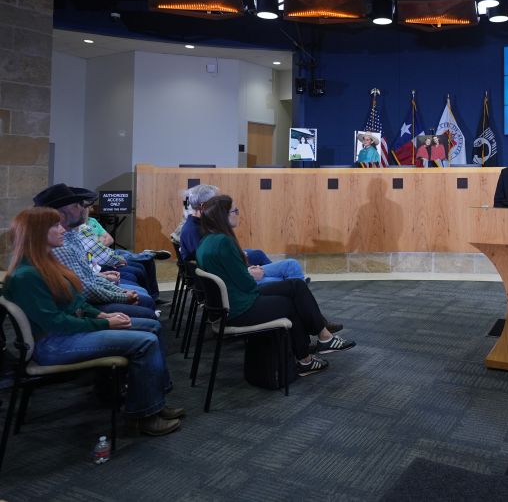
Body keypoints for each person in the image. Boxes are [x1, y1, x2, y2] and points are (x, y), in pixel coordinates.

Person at [3, 207, 183, 436]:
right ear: (38, 233)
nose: (62, 229)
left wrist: (101, 315)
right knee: (145, 341)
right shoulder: (27, 275)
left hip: (66, 333)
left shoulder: (45, 263)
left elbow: (75, 302)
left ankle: (156, 398)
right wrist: (105, 324)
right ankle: (145, 415)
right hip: (53, 344)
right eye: (55, 226)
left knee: (153, 326)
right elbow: (57, 323)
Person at [194, 195, 355, 377]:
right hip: (240, 306)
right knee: (290, 303)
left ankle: (322, 338)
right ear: (224, 215)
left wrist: (246, 270)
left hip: (231, 303)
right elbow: (247, 285)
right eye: (235, 211)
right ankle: (307, 358)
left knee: (295, 285)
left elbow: (234, 278)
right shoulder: (224, 242)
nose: (239, 214)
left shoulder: (206, 241)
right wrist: (253, 273)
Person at [33, 184, 158, 319]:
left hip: (85, 302)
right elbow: (84, 289)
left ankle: (145, 256)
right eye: (77, 205)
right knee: (141, 290)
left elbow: (87, 276)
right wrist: (121, 296)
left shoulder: (71, 236)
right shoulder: (59, 246)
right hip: (81, 309)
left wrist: (119, 291)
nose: (83, 209)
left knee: (138, 280)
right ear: (60, 214)